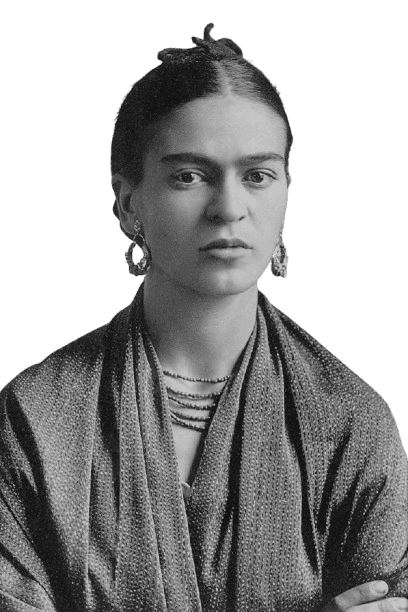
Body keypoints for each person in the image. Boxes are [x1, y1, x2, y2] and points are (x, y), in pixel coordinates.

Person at [0, 23, 407, 612]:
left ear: (287, 192)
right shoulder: (36, 419)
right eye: (189, 176)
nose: (229, 209)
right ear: (126, 201)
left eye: (258, 175)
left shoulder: (350, 425)